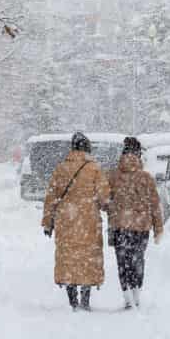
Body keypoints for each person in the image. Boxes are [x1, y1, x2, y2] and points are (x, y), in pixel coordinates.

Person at [41, 133, 111, 311]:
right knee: (89, 257)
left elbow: (51, 197)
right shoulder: (94, 168)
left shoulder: (61, 168)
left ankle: (72, 299)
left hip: (66, 220)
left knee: (68, 258)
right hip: (89, 220)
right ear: (87, 148)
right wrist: (108, 208)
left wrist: (48, 222)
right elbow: (104, 197)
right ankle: (85, 298)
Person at [105, 136, 164, 309]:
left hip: (120, 226)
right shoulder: (146, 178)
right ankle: (137, 292)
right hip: (141, 226)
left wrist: (112, 209)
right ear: (139, 155)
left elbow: (104, 201)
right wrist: (158, 228)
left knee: (122, 262)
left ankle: (127, 294)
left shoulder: (113, 176)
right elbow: (155, 204)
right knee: (137, 260)